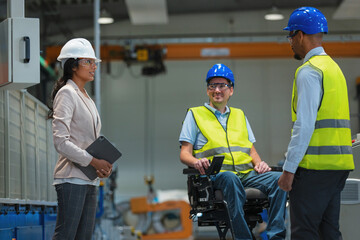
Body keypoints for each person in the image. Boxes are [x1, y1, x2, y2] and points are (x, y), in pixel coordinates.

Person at [179, 63, 287, 240]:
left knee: (280, 180)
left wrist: (259, 164)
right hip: (216, 177)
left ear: (231, 90)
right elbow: (184, 153)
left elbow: (250, 149)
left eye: (222, 85)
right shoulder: (195, 114)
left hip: (246, 174)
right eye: (212, 86)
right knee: (231, 178)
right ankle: (243, 237)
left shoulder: (239, 115)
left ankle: (276, 236)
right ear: (207, 91)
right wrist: (195, 162)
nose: (217, 90)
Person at [278, 7, 355, 240]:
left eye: (290, 35)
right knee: (329, 232)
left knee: (304, 233)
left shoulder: (309, 72)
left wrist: (289, 170)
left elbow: (305, 125)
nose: (290, 42)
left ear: (300, 35)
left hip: (314, 169)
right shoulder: (333, 68)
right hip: (338, 167)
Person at [48, 38, 113, 240]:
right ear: (73, 65)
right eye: (88, 62)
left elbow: (87, 139)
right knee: (66, 235)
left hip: (89, 179)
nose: (94, 67)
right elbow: (61, 142)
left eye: (94, 62)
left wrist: (100, 166)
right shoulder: (67, 93)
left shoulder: (85, 96)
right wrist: (94, 161)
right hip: (72, 178)